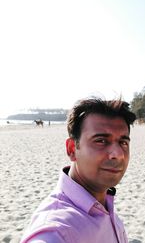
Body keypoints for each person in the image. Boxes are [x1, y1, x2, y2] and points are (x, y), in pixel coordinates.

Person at [20, 97, 136, 243]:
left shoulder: (103, 202)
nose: (118, 154)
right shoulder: (56, 231)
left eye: (123, 142)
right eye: (101, 141)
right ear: (72, 149)